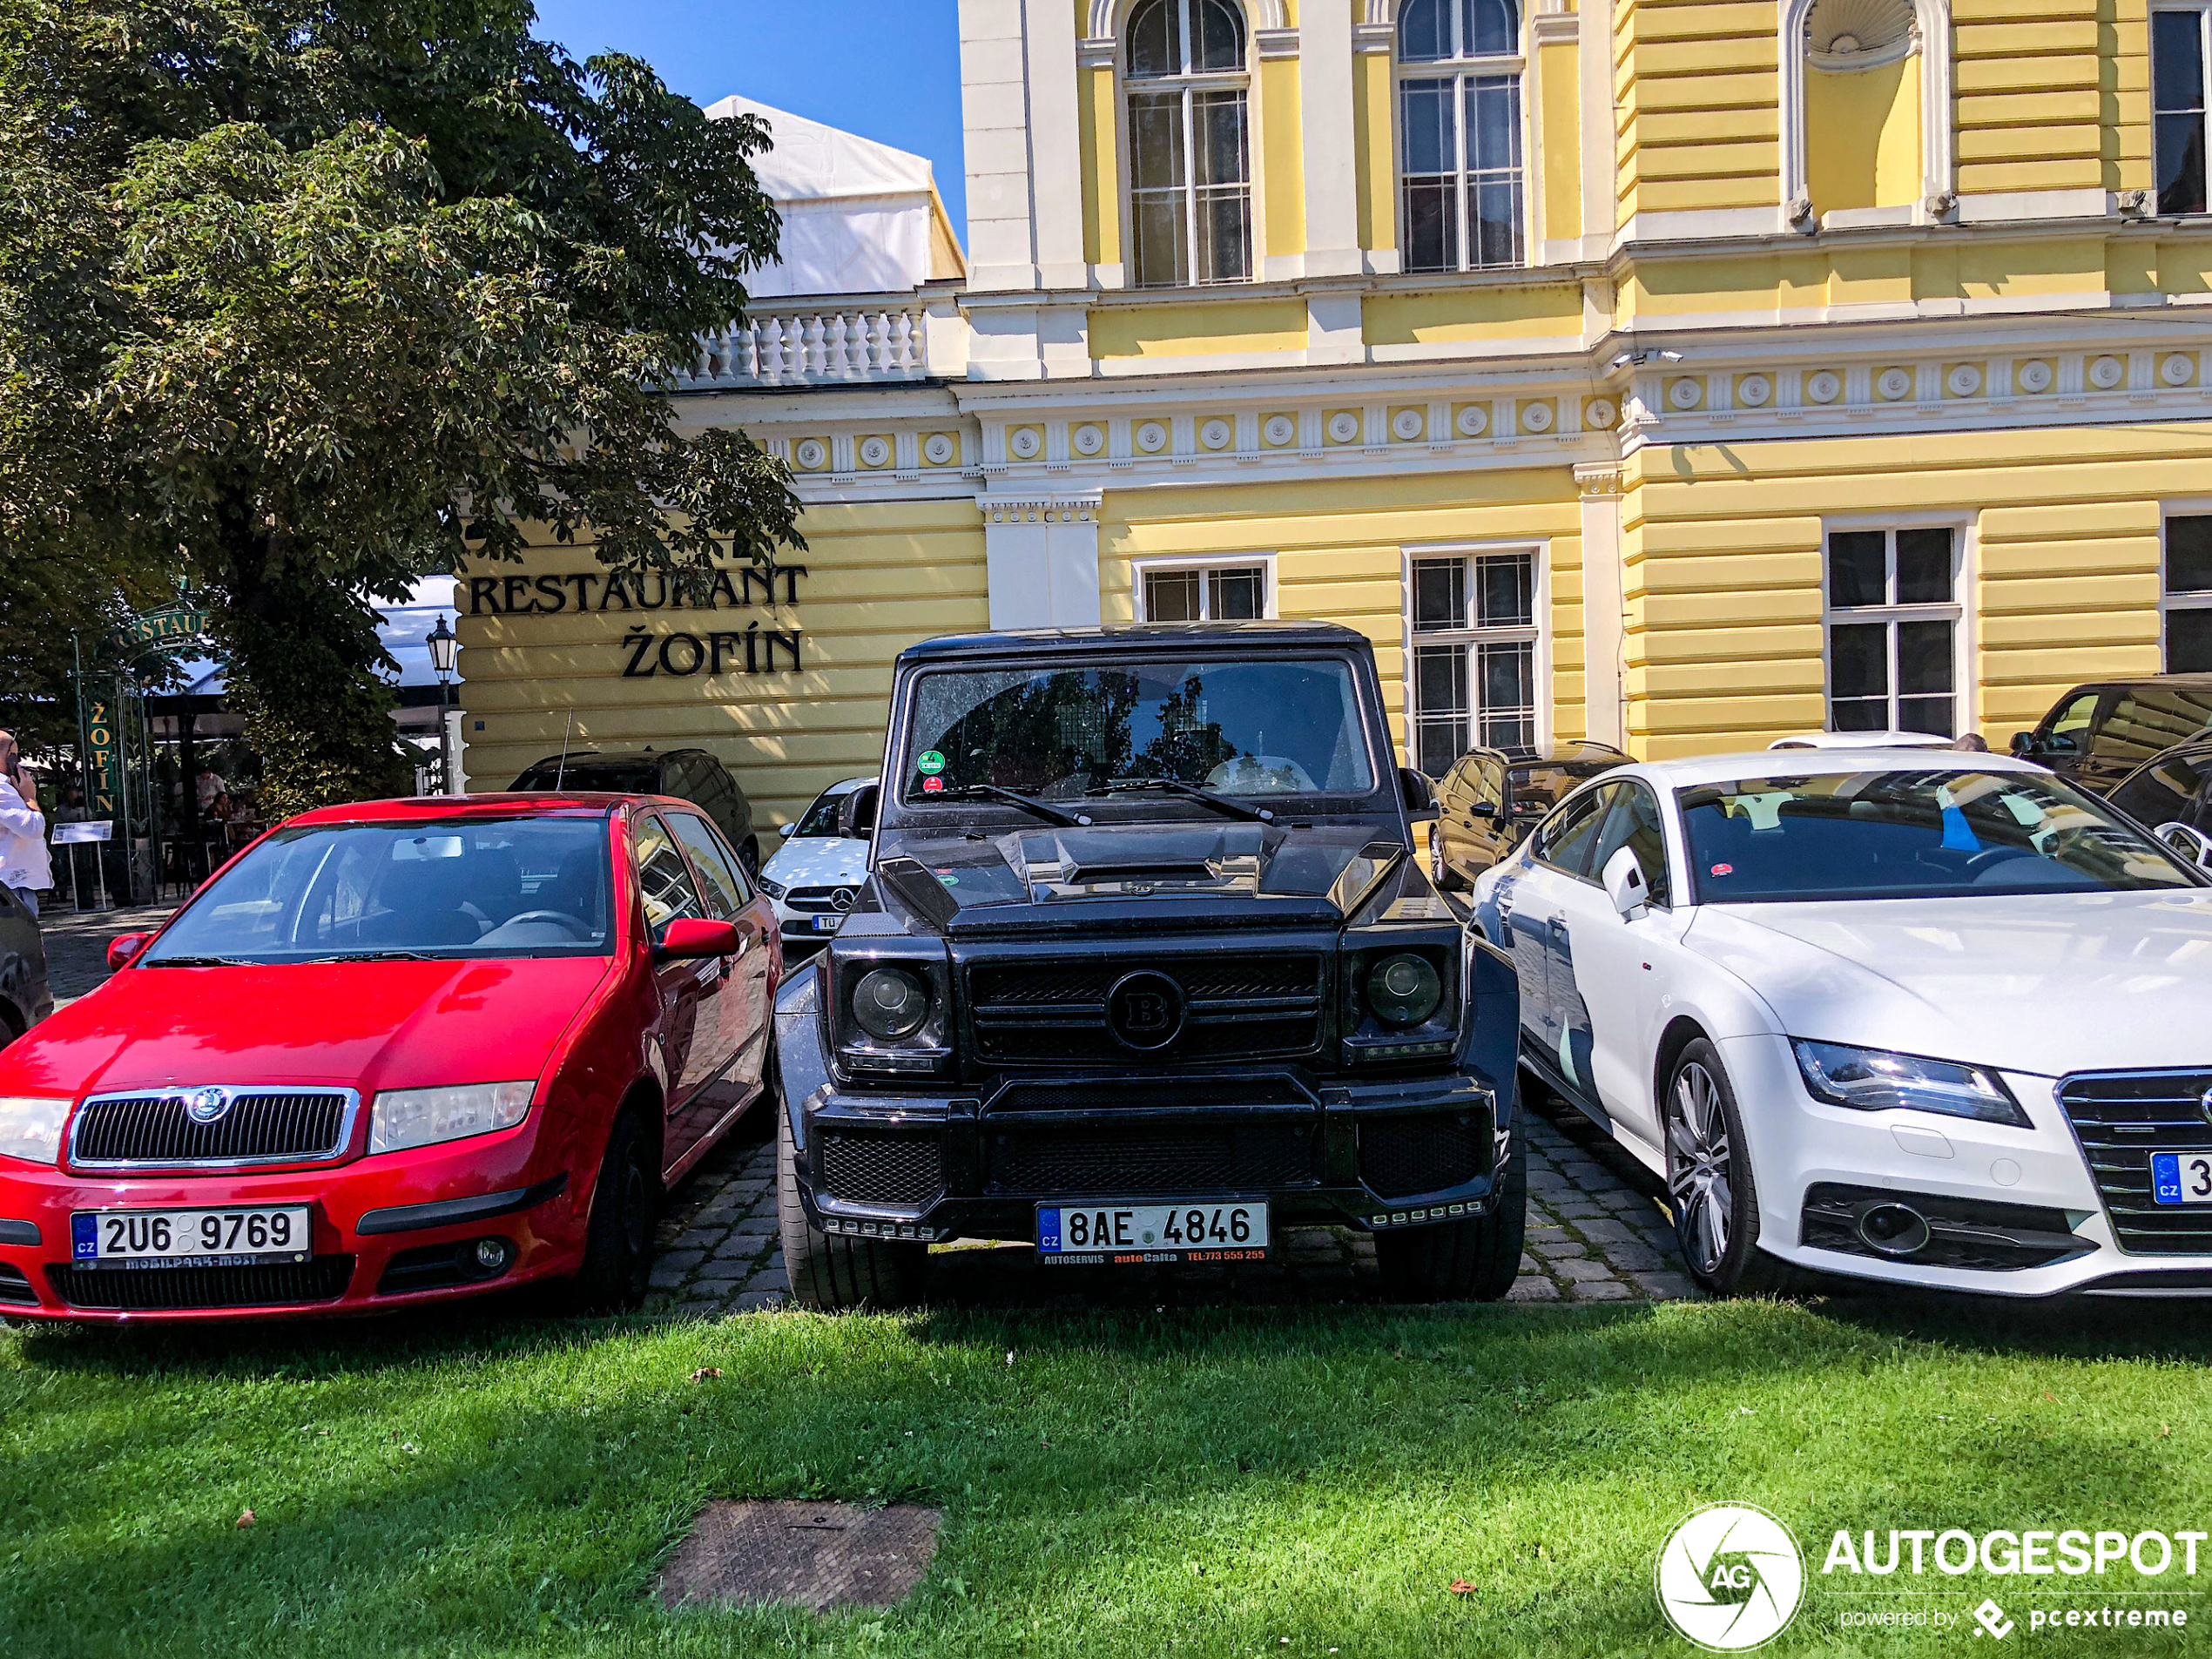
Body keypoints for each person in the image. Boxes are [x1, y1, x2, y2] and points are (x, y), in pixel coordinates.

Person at [0, 731, 52, 918]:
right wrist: (30, 797)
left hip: (9, 883)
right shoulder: (2, 789)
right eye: (15, 755)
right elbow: (32, 828)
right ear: (9, 758)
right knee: (21, 945)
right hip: (12, 885)